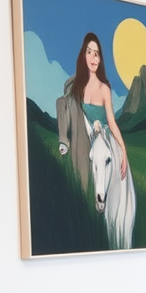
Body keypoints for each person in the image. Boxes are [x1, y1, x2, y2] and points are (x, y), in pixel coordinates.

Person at [58, 32, 128, 182]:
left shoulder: (104, 89)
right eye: (89, 52)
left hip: (104, 140)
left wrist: (123, 149)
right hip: (84, 140)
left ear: (100, 59)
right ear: (84, 56)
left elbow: (111, 122)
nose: (93, 58)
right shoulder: (78, 86)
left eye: (96, 54)